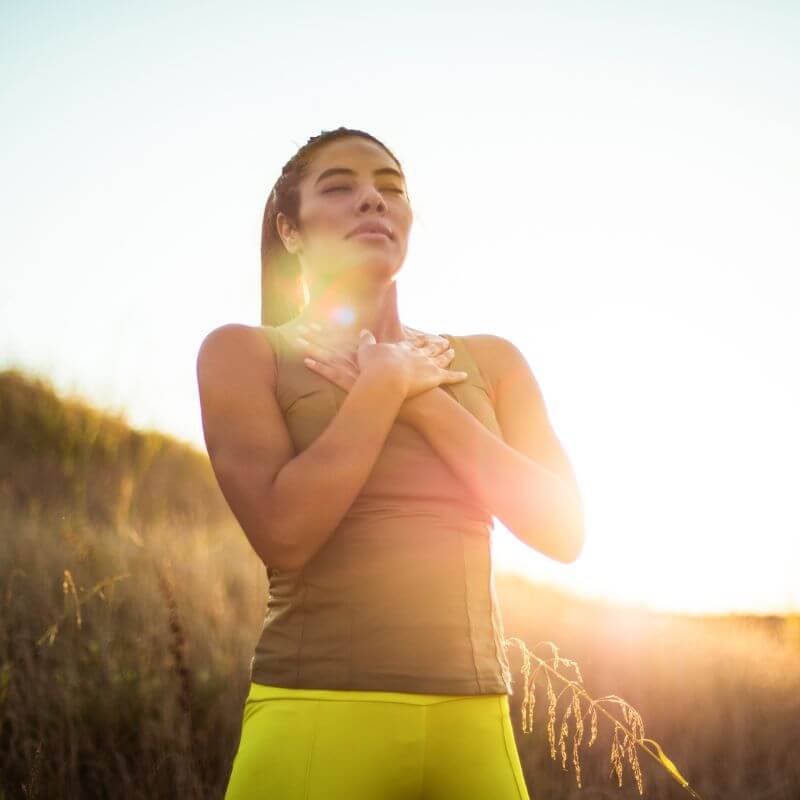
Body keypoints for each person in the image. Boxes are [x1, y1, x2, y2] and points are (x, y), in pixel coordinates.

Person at [196, 127, 584, 799]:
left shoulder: (491, 360)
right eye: (340, 187)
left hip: (475, 723)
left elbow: (562, 532)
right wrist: (379, 389)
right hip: (315, 716)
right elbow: (285, 534)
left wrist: (418, 398)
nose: (372, 200)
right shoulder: (243, 354)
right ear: (290, 230)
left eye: (391, 189)